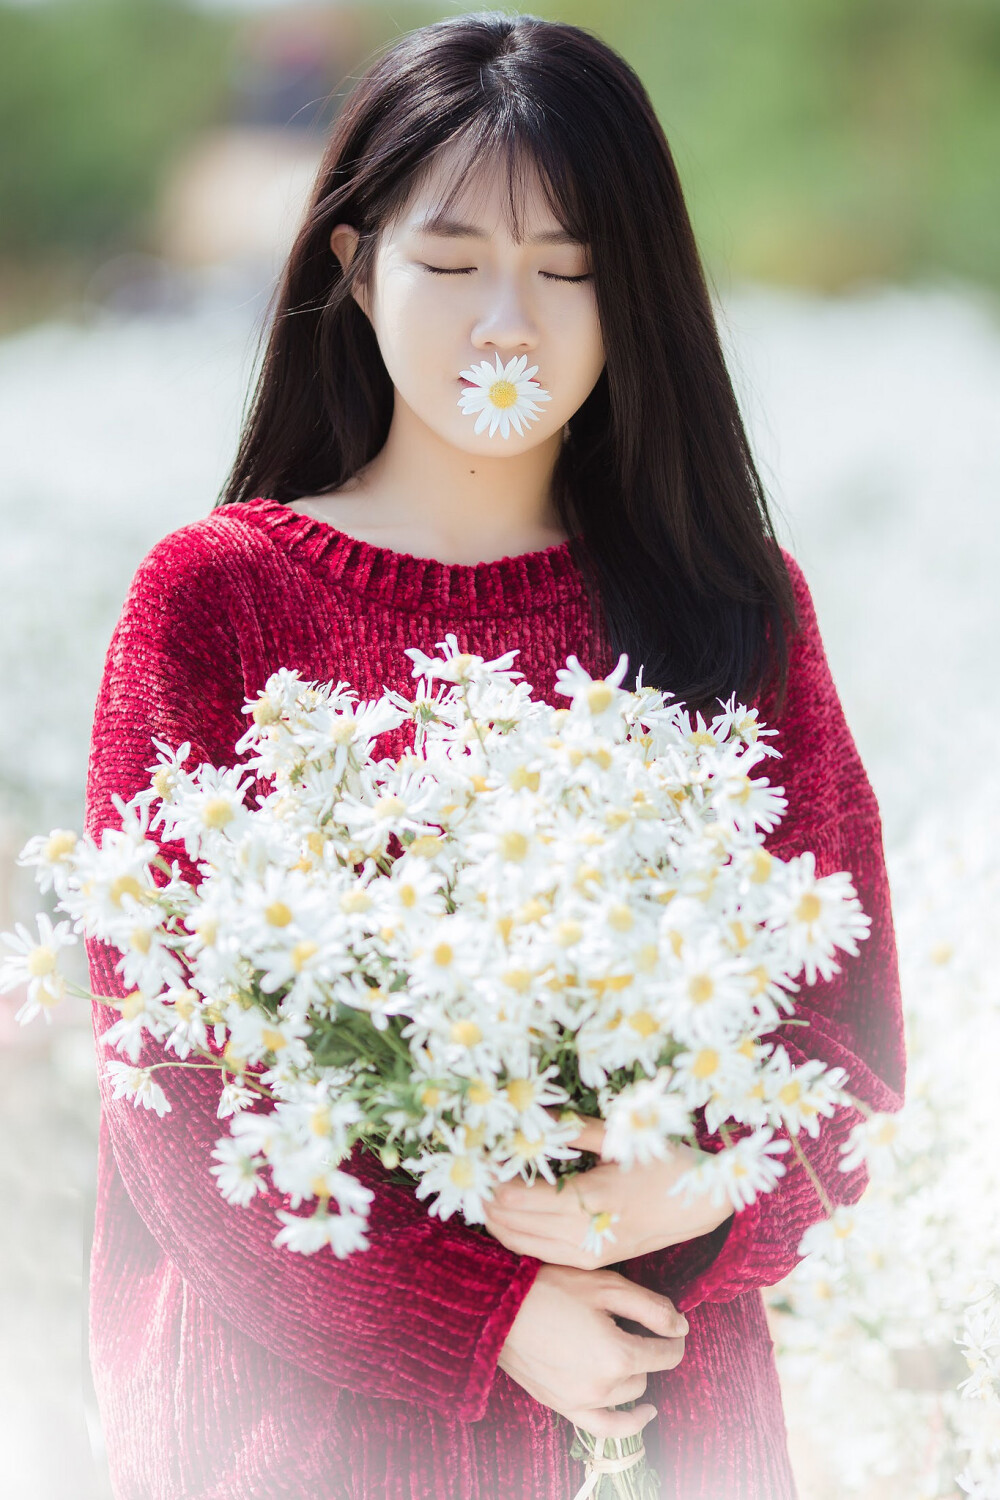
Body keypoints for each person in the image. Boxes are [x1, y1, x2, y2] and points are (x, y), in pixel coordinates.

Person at [84, 14, 906, 1499]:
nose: (507, 324)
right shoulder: (218, 598)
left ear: (639, 289)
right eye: (452, 263)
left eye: (572, 268)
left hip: (660, 1396)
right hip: (307, 1430)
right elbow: (174, 1081)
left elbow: (847, 1044)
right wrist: (492, 1312)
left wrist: (701, 1188)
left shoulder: (733, 605)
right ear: (352, 264)